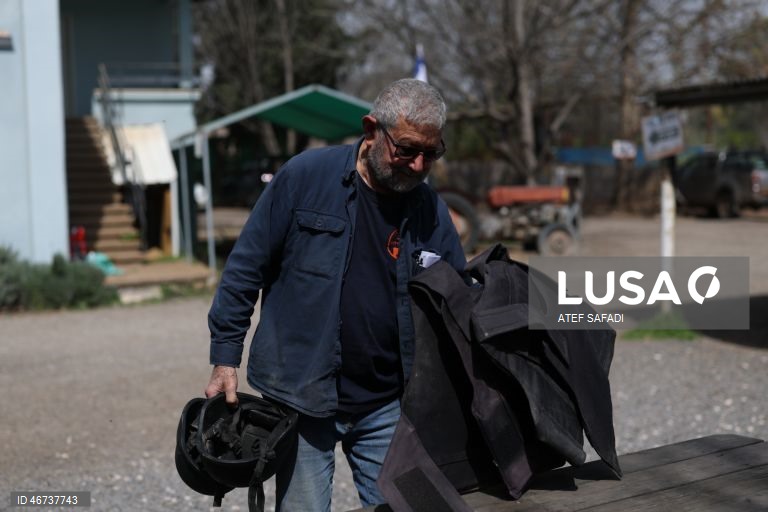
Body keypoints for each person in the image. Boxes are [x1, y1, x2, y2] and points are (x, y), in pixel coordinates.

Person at [204, 78, 466, 511]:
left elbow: (454, 296)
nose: (418, 165)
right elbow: (245, 267)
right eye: (406, 149)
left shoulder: (428, 208)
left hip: (387, 402)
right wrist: (225, 356)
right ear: (370, 130)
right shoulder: (305, 177)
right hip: (301, 398)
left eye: (431, 154)